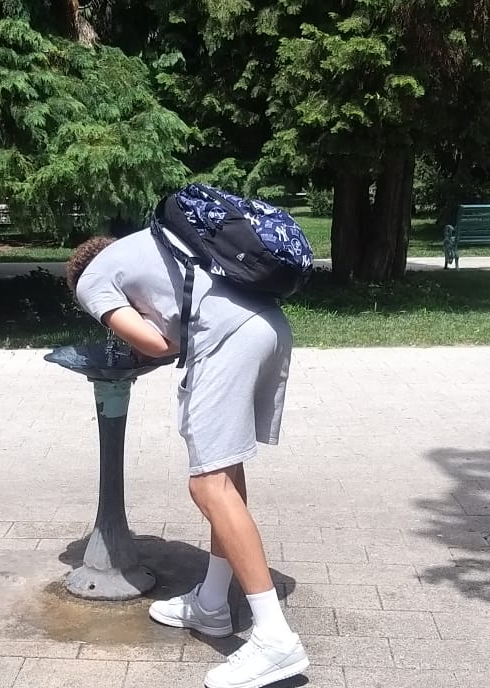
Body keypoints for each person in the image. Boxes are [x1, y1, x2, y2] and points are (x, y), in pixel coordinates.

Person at [65, 223, 309, 688]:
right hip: (268, 326)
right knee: (226, 472)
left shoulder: (90, 281)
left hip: (228, 340)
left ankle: (275, 639)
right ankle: (212, 604)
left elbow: (160, 343)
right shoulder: (156, 242)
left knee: (207, 485)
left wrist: (137, 344)